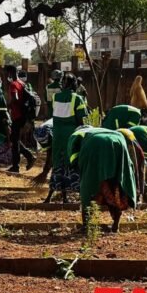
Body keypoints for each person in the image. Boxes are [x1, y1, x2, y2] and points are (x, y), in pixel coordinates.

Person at [68, 126, 137, 233]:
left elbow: (73, 157)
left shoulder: (76, 134)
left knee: (87, 187)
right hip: (119, 139)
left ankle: (86, 226)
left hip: (95, 143)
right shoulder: (102, 129)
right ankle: (116, 225)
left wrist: (81, 169)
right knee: (116, 183)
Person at [49, 73, 88, 202]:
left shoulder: (55, 97)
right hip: (71, 136)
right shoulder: (77, 99)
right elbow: (83, 120)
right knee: (71, 163)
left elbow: (52, 114)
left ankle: (58, 192)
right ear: (74, 84)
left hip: (57, 136)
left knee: (58, 163)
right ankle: (74, 192)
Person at [4, 65, 35, 173]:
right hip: (23, 115)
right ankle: (27, 157)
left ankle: (18, 165)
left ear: (9, 73)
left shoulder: (13, 84)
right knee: (15, 139)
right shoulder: (21, 83)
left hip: (17, 115)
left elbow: (15, 98)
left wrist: (9, 105)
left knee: (14, 140)